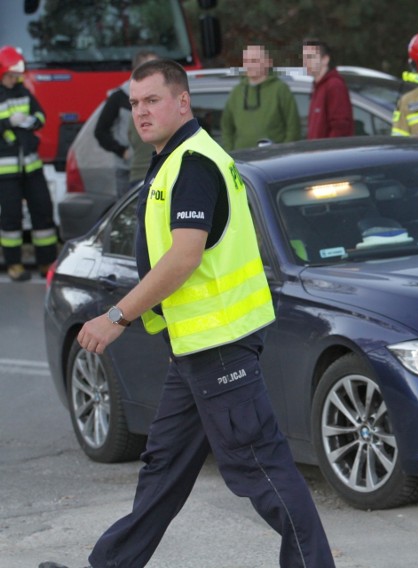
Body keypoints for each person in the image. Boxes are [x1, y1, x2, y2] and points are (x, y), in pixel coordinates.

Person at [39, 58, 335, 568]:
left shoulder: (195, 163)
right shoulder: (174, 159)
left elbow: (183, 257)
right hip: (194, 347)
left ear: (182, 102)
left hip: (219, 346)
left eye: (152, 100)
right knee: (163, 470)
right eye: (134, 103)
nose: (141, 112)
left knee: (260, 470)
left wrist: (117, 318)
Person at [0, 45, 57, 281]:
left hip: (32, 166)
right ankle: (14, 264)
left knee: (43, 212)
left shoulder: (24, 92)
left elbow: (41, 117)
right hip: (7, 170)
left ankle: (47, 263)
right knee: (11, 217)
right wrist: (7, 123)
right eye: (12, 75)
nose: (16, 78)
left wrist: (30, 120)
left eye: (17, 75)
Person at [93, 49, 159, 192]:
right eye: (151, 67)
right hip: (128, 171)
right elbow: (100, 131)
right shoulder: (119, 97)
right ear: (137, 71)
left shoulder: (162, 96)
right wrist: (122, 151)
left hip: (158, 166)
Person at [221, 44, 300, 150]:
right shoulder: (237, 91)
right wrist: (230, 152)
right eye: (246, 61)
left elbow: (293, 127)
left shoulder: (280, 89)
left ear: (268, 62)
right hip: (242, 159)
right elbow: (226, 128)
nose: (249, 65)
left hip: (273, 159)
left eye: (254, 61)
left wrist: (283, 152)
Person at [302, 39, 354, 139]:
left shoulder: (334, 85)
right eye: (304, 58)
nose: (305, 62)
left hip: (329, 153)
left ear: (325, 59)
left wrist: (327, 153)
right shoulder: (317, 87)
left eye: (310, 57)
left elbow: (340, 126)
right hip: (316, 152)